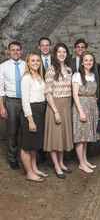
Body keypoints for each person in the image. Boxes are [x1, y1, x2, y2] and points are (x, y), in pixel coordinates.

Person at [43, 43, 73, 179]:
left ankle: (61, 163)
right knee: (55, 138)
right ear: (55, 54)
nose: (62, 54)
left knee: (62, 137)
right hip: (55, 106)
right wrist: (55, 111)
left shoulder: (69, 69)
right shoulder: (50, 70)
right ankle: (56, 165)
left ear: (67, 54)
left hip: (66, 106)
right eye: (59, 52)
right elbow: (48, 93)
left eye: (64, 52)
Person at [20, 53, 47, 182]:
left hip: (40, 111)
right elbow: (25, 101)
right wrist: (30, 120)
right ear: (28, 62)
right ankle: (29, 173)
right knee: (27, 145)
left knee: (34, 144)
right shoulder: (26, 78)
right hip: (30, 112)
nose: (35, 62)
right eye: (33, 60)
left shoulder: (39, 76)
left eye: (37, 60)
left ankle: (34, 168)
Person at [72, 52, 99, 173]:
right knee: (81, 136)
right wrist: (81, 112)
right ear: (82, 62)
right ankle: (81, 163)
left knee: (86, 136)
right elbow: (75, 95)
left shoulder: (93, 75)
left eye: (91, 60)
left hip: (91, 106)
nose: (88, 62)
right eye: (86, 60)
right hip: (81, 106)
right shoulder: (77, 75)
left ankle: (85, 159)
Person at [0, 41, 25, 169]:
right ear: (8, 51)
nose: (15, 52)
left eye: (18, 49)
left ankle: (26, 157)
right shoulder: (3, 66)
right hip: (11, 102)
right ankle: (12, 158)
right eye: (13, 49)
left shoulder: (26, 65)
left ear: (21, 51)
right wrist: (2, 106)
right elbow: (0, 88)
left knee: (25, 130)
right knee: (12, 131)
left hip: (26, 101)